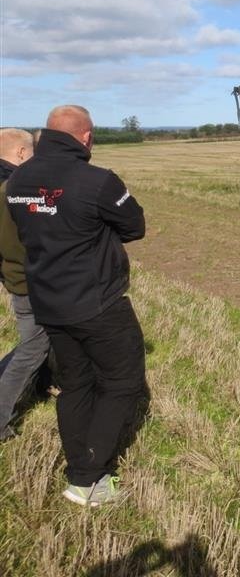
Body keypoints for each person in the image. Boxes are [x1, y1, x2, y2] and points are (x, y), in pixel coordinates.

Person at [5, 106, 146, 507]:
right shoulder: (97, 181)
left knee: (75, 384)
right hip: (97, 302)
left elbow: (24, 226)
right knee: (123, 381)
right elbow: (134, 227)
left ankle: (78, 470)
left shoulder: (19, 179)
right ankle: (87, 478)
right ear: (86, 137)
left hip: (47, 301)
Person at [0, 127, 51, 442]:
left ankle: (44, 386)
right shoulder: (14, 187)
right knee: (33, 347)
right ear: (21, 153)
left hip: (16, 277)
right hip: (28, 280)